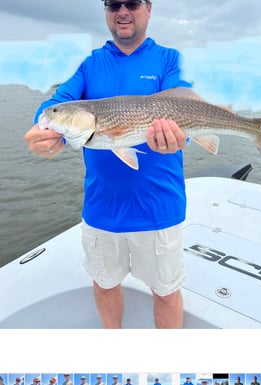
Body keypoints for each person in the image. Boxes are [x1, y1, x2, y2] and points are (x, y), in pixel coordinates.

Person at [24, 0, 190, 329]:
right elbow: (57, 104)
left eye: (132, 3)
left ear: (149, 8)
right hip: (101, 209)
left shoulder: (170, 60)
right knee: (103, 285)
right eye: (114, 4)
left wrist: (179, 136)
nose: (123, 12)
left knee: (167, 292)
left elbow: (184, 103)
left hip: (159, 208)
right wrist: (41, 125)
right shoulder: (89, 65)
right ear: (105, 11)